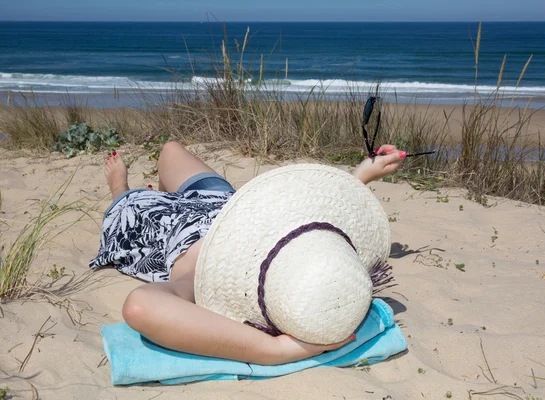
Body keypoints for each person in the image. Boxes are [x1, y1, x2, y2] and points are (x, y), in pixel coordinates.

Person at [90, 142, 406, 365]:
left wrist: (275, 350)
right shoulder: (307, 245)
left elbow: (141, 307)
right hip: (225, 201)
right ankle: (159, 190)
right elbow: (323, 214)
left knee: (127, 203)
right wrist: (362, 174)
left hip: (154, 220)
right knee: (170, 149)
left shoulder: (207, 276)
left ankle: (121, 188)